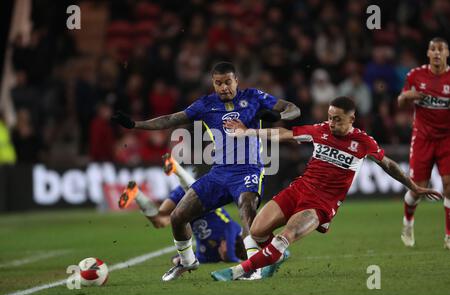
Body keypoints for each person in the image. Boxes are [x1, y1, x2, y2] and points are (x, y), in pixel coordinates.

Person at [211, 96, 442, 281]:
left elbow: (388, 164)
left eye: (338, 120)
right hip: (299, 189)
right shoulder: (320, 131)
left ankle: (238, 271)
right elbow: (284, 134)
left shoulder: (363, 142)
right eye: (330, 118)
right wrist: (247, 132)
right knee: (257, 231)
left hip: (321, 204)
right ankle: (276, 257)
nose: (332, 123)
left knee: (284, 237)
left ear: (352, 119)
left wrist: (413, 186)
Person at [112, 61, 301, 281]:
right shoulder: (205, 104)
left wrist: (279, 116)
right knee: (177, 217)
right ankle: (187, 261)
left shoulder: (253, 96)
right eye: (218, 83)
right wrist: (135, 125)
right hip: (219, 174)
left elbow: (292, 108)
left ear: (236, 81)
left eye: (228, 82)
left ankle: (253, 268)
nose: (224, 88)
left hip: (248, 169)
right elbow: (171, 119)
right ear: (213, 84)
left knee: (246, 211)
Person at [118, 154, 246, 264]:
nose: (223, 250)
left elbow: (189, 257)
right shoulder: (233, 230)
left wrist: (177, 259)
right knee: (198, 198)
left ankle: (136, 194)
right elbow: (230, 254)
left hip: (184, 213)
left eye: (224, 254)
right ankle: (176, 168)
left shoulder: (210, 254)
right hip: (197, 196)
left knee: (160, 220)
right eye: (227, 248)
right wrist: (237, 261)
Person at [397, 37, 450, 249]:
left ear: (447, 53)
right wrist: (407, 96)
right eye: (433, 49)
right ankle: (407, 223)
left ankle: (448, 235)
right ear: (428, 54)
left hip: (447, 139)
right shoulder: (415, 75)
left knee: (449, 186)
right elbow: (400, 102)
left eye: (441, 49)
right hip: (422, 138)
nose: (437, 53)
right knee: (419, 188)